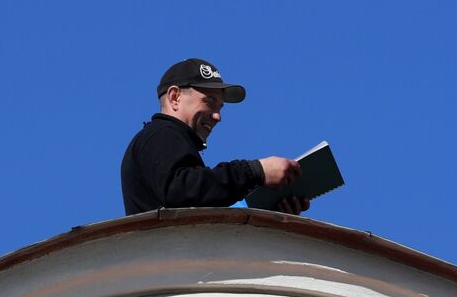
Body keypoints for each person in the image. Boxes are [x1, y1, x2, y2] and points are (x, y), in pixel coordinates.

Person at [120, 58, 313, 216]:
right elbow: (184, 191)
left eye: (220, 107)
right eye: (209, 101)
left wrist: (268, 214)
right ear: (174, 97)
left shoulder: (167, 139)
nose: (217, 116)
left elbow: (192, 211)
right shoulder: (162, 134)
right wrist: (256, 171)